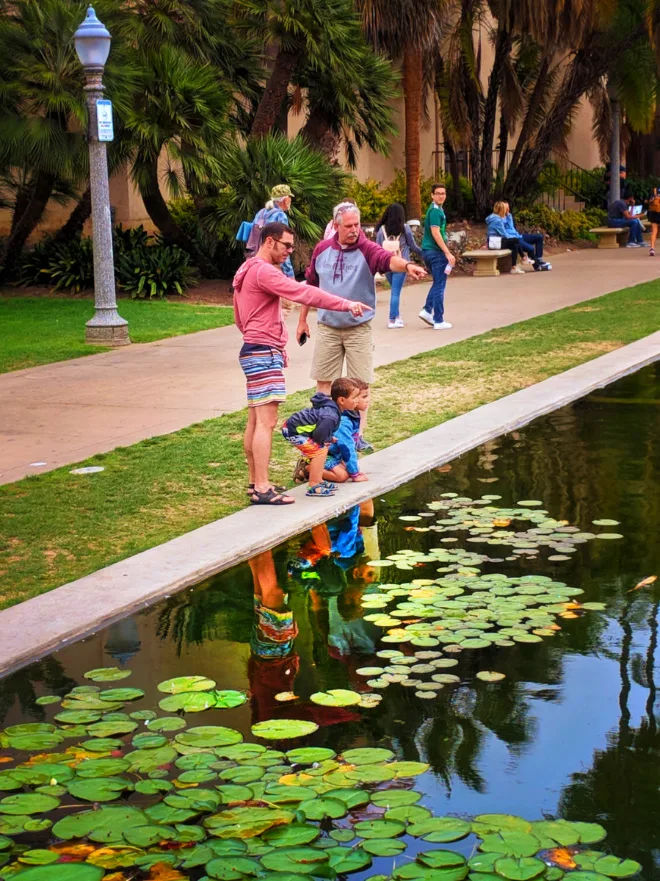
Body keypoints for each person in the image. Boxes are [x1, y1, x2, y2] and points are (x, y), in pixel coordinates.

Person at [233, 221, 364, 506]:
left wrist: (258, 336)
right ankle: (264, 488)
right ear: (269, 242)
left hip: (253, 349)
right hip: (263, 352)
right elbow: (303, 293)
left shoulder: (244, 270)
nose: (290, 252)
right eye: (286, 246)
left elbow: (238, 316)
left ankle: (256, 482)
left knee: (255, 420)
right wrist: (344, 304)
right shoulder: (263, 270)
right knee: (266, 424)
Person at [296, 204, 426, 446]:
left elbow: (387, 259)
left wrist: (407, 266)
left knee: (360, 385)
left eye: (357, 224)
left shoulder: (366, 249)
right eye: (349, 226)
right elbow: (311, 286)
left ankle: (357, 436)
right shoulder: (322, 250)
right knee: (324, 383)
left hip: (358, 329)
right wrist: (302, 320)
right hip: (328, 327)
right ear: (335, 226)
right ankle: (326, 432)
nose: (355, 230)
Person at [282, 377, 360, 497]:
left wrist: (328, 438)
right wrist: (327, 439)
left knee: (322, 449)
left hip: (298, 429)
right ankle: (313, 486)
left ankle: (318, 480)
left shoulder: (334, 410)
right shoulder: (331, 416)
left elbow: (320, 431)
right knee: (319, 451)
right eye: (354, 397)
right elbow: (319, 436)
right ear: (342, 400)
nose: (357, 400)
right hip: (293, 431)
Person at [376, 202, 423, 328]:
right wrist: (424, 254)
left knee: (394, 291)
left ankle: (397, 316)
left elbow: (377, 249)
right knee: (395, 292)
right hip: (401, 264)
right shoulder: (405, 228)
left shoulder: (381, 230)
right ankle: (392, 319)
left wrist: (379, 267)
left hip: (387, 265)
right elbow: (413, 246)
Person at [420, 183, 456, 328]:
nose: (441, 196)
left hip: (429, 251)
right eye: (438, 193)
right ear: (432, 195)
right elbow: (435, 232)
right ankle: (439, 320)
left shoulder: (436, 209)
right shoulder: (435, 211)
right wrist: (447, 253)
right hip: (436, 252)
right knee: (440, 285)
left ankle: (427, 310)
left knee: (437, 283)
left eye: (443, 193)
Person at [245, 185, 296, 276]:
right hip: (271, 264)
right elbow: (284, 247)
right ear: (285, 200)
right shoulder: (281, 216)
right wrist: (290, 274)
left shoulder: (261, 212)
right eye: (289, 198)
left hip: (255, 259)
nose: (290, 200)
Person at [502, 202, 552, 270]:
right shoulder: (499, 219)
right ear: (502, 209)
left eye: (508, 207)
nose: (508, 209)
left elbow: (512, 227)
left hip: (519, 236)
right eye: (506, 208)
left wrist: (508, 215)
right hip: (513, 239)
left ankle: (538, 260)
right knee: (531, 248)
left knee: (539, 237)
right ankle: (537, 266)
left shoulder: (509, 215)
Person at [485, 201, 525, 273]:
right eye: (505, 209)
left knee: (515, 245)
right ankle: (524, 258)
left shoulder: (493, 217)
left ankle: (514, 267)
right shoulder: (497, 221)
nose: (506, 211)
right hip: (495, 243)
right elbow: (504, 234)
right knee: (516, 240)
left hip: (495, 241)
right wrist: (513, 237)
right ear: (501, 210)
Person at [647, 188, 660, 256]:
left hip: (654, 213)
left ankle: (652, 248)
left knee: (654, 232)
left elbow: (647, 201)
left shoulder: (654, 190)